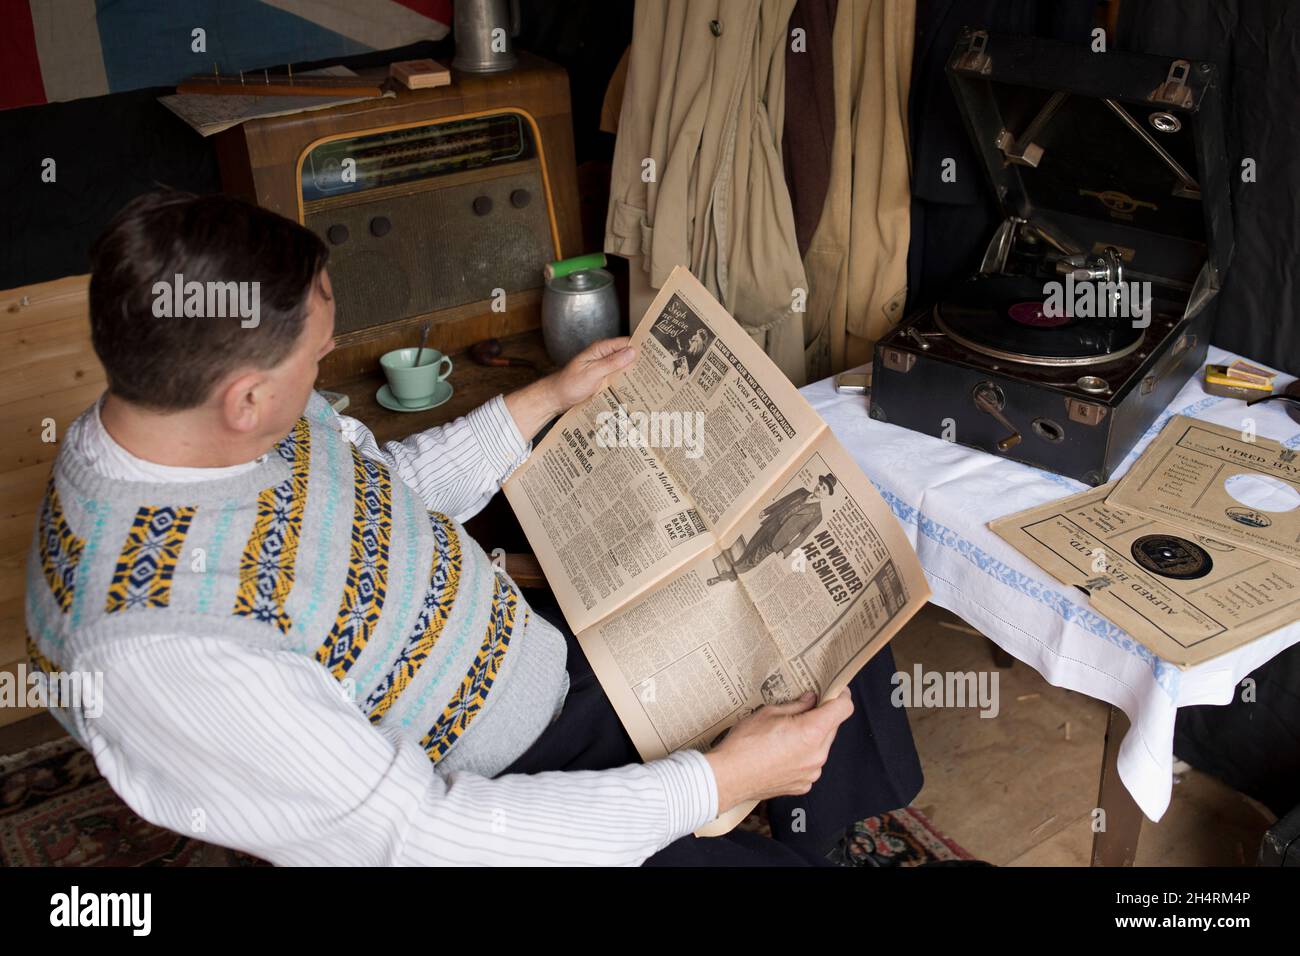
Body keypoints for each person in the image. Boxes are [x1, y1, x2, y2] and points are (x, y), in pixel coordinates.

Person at [26, 190, 921, 865]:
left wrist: (540, 401)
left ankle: (808, 827)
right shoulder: (159, 645)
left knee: (815, 596)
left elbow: (381, 492)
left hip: (547, 668)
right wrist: (718, 781)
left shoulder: (175, 412)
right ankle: (756, 807)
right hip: (493, 796)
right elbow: (423, 833)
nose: (326, 369)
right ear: (247, 397)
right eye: (317, 358)